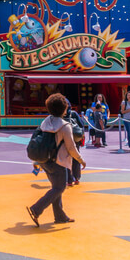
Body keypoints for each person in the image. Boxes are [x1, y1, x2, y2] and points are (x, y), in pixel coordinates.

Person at [26, 93, 86, 226]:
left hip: (44, 159)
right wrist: (81, 160)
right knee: (59, 188)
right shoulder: (65, 126)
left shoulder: (46, 121)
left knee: (55, 187)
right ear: (64, 108)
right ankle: (36, 209)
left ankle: (60, 216)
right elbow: (71, 148)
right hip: (57, 161)